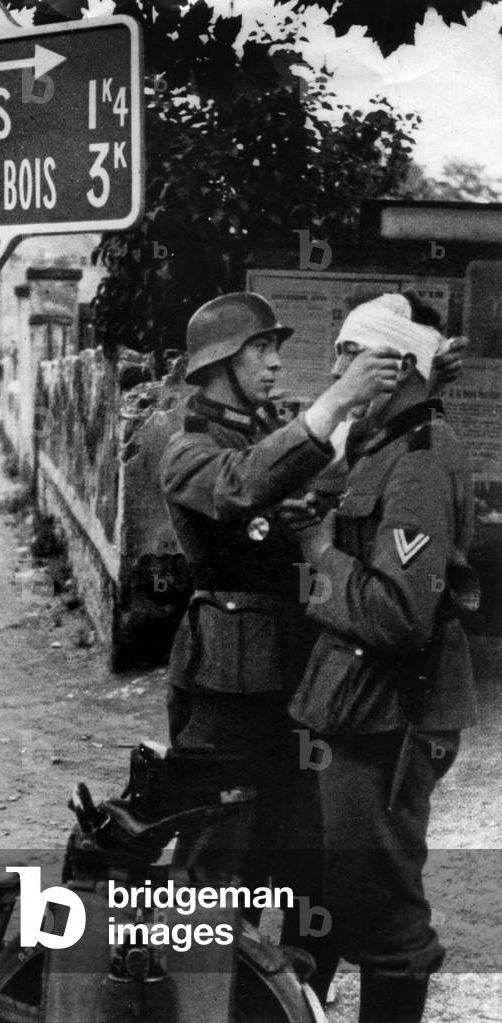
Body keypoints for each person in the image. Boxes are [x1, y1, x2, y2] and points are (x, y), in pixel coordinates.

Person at [159, 292, 403, 889]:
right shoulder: (184, 443)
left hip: (295, 671)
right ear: (218, 362)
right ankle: (201, 980)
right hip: (227, 681)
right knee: (216, 847)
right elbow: (238, 486)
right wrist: (340, 396)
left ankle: (280, 981)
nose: (274, 363)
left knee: (294, 843)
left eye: (274, 349)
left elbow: (317, 463)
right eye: (260, 349)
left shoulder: (264, 426)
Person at [287, 293, 477, 1023]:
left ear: (394, 367)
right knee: (322, 891)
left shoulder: (424, 462)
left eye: (348, 352)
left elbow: (399, 614)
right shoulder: (383, 440)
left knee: (384, 908)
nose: (334, 367)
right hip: (353, 706)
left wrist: (318, 553)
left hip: (390, 717)